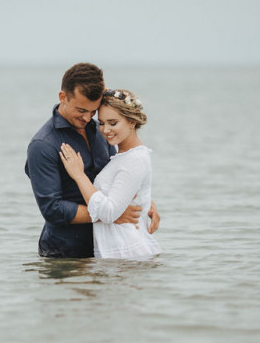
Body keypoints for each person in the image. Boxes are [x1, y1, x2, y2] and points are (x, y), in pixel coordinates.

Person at [25, 63, 160, 258]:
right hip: (65, 254)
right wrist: (110, 215)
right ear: (63, 97)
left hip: (105, 250)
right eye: (81, 110)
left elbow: (117, 175)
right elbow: (52, 209)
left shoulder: (100, 130)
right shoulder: (43, 145)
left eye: (93, 111)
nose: (88, 118)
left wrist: (143, 203)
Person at [59, 88, 161, 259]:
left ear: (132, 122)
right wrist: (147, 203)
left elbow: (108, 213)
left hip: (127, 256)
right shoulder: (123, 156)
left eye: (113, 123)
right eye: (101, 123)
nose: (105, 130)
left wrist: (79, 175)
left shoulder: (134, 159)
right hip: (118, 256)